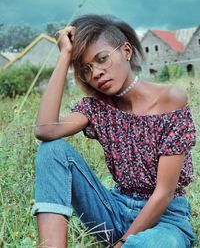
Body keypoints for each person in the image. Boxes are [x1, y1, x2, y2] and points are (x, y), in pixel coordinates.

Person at [31, 14, 196, 248]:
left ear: (126, 51)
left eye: (102, 59)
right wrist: (64, 56)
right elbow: (45, 130)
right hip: (113, 210)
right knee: (52, 149)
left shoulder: (170, 100)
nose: (96, 73)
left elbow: (164, 193)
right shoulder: (96, 109)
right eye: (86, 69)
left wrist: (122, 243)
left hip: (165, 221)